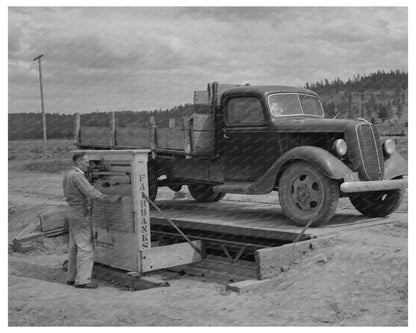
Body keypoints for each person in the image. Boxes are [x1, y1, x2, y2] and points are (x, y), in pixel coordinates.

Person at [63, 152, 121, 289]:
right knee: (86, 247)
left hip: (72, 211)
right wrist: (109, 199)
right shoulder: (77, 176)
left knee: (74, 247)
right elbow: (90, 192)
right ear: (78, 161)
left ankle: (71, 277)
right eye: (86, 162)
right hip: (81, 212)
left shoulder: (68, 174)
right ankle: (82, 280)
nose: (88, 165)